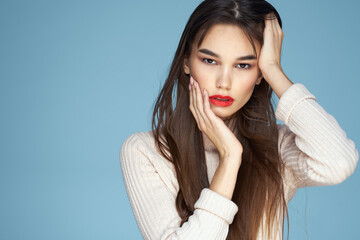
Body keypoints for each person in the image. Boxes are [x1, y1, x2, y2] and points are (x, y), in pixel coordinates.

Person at [120, 0, 359, 239]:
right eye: (210, 61)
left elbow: (337, 163)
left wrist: (274, 70)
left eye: (243, 65)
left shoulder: (275, 148)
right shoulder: (146, 151)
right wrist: (230, 157)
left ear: (259, 75)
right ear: (186, 62)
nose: (224, 82)